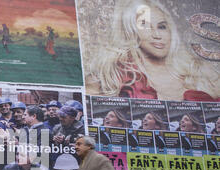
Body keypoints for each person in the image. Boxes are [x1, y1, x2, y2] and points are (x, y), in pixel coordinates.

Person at [85, 0, 219, 101]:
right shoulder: (110, 75)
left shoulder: (200, 70)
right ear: (130, 31)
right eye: (145, 26)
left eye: (162, 27)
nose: (157, 35)